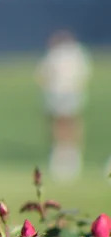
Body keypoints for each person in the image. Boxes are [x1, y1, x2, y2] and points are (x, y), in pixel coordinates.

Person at [37, 30, 91, 180]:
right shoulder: (59, 55)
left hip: (67, 93)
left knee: (69, 123)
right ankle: (61, 155)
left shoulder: (74, 54)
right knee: (59, 123)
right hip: (57, 94)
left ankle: (70, 156)